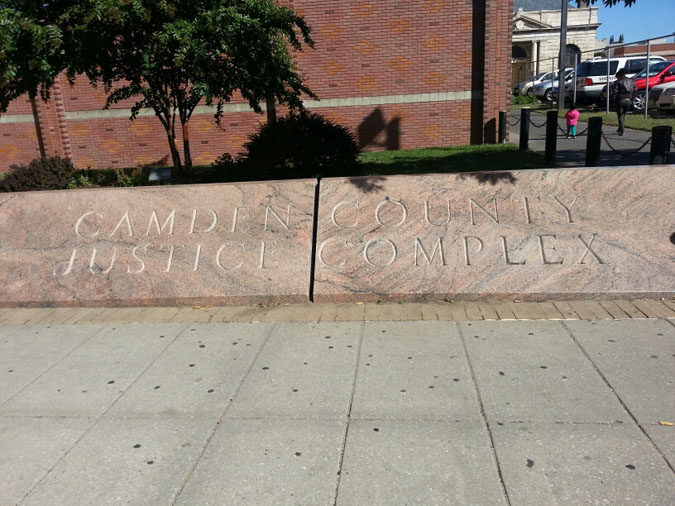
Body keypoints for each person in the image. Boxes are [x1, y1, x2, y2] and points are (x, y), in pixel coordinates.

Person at [611, 68, 636, 136]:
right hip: (629, 100)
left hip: (620, 100)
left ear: (619, 75)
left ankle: (622, 129)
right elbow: (635, 90)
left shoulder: (618, 82)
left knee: (620, 115)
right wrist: (632, 98)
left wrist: (613, 100)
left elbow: (615, 92)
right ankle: (620, 128)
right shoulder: (631, 81)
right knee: (623, 114)